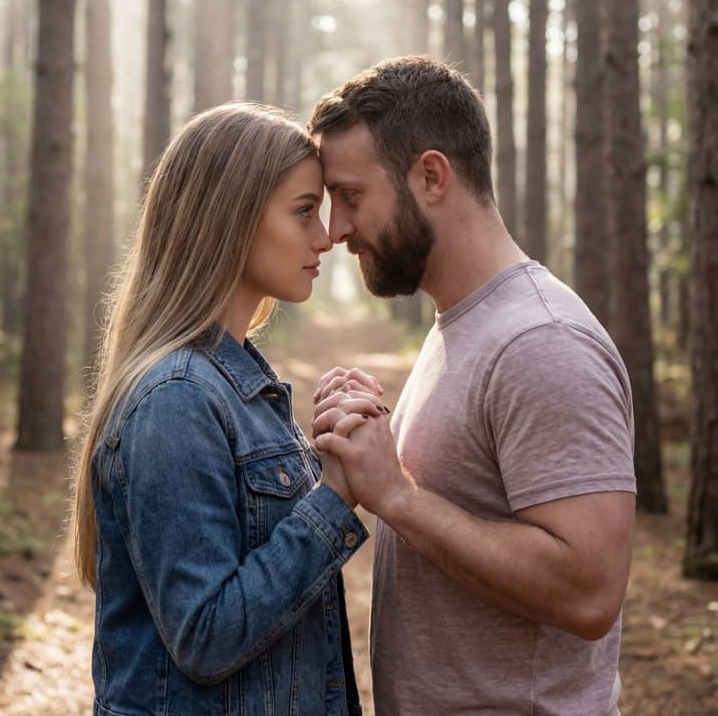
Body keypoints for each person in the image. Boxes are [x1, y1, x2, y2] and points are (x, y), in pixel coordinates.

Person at [308, 56, 637, 716]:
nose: (336, 229)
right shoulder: (464, 322)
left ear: (430, 176)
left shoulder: (541, 343)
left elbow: (589, 594)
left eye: (350, 196)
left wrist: (395, 496)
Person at [72, 103, 383, 716]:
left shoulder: (234, 383)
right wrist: (335, 496)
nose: (324, 237)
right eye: (302, 212)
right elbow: (207, 637)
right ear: (230, 218)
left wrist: (329, 449)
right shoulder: (178, 398)